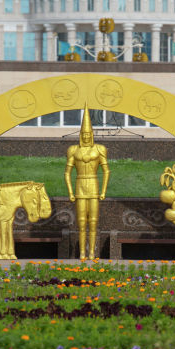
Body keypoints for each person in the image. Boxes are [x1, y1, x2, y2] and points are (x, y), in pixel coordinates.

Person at [64, 103, 110, 260]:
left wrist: (103, 191)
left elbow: (106, 171)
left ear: (92, 134)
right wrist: (70, 192)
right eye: (83, 134)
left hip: (93, 185)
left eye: (88, 134)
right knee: (81, 222)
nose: (85, 137)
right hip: (80, 185)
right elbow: (67, 173)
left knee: (93, 222)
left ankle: (92, 252)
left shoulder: (99, 149)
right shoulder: (73, 150)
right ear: (80, 135)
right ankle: (82, 252)